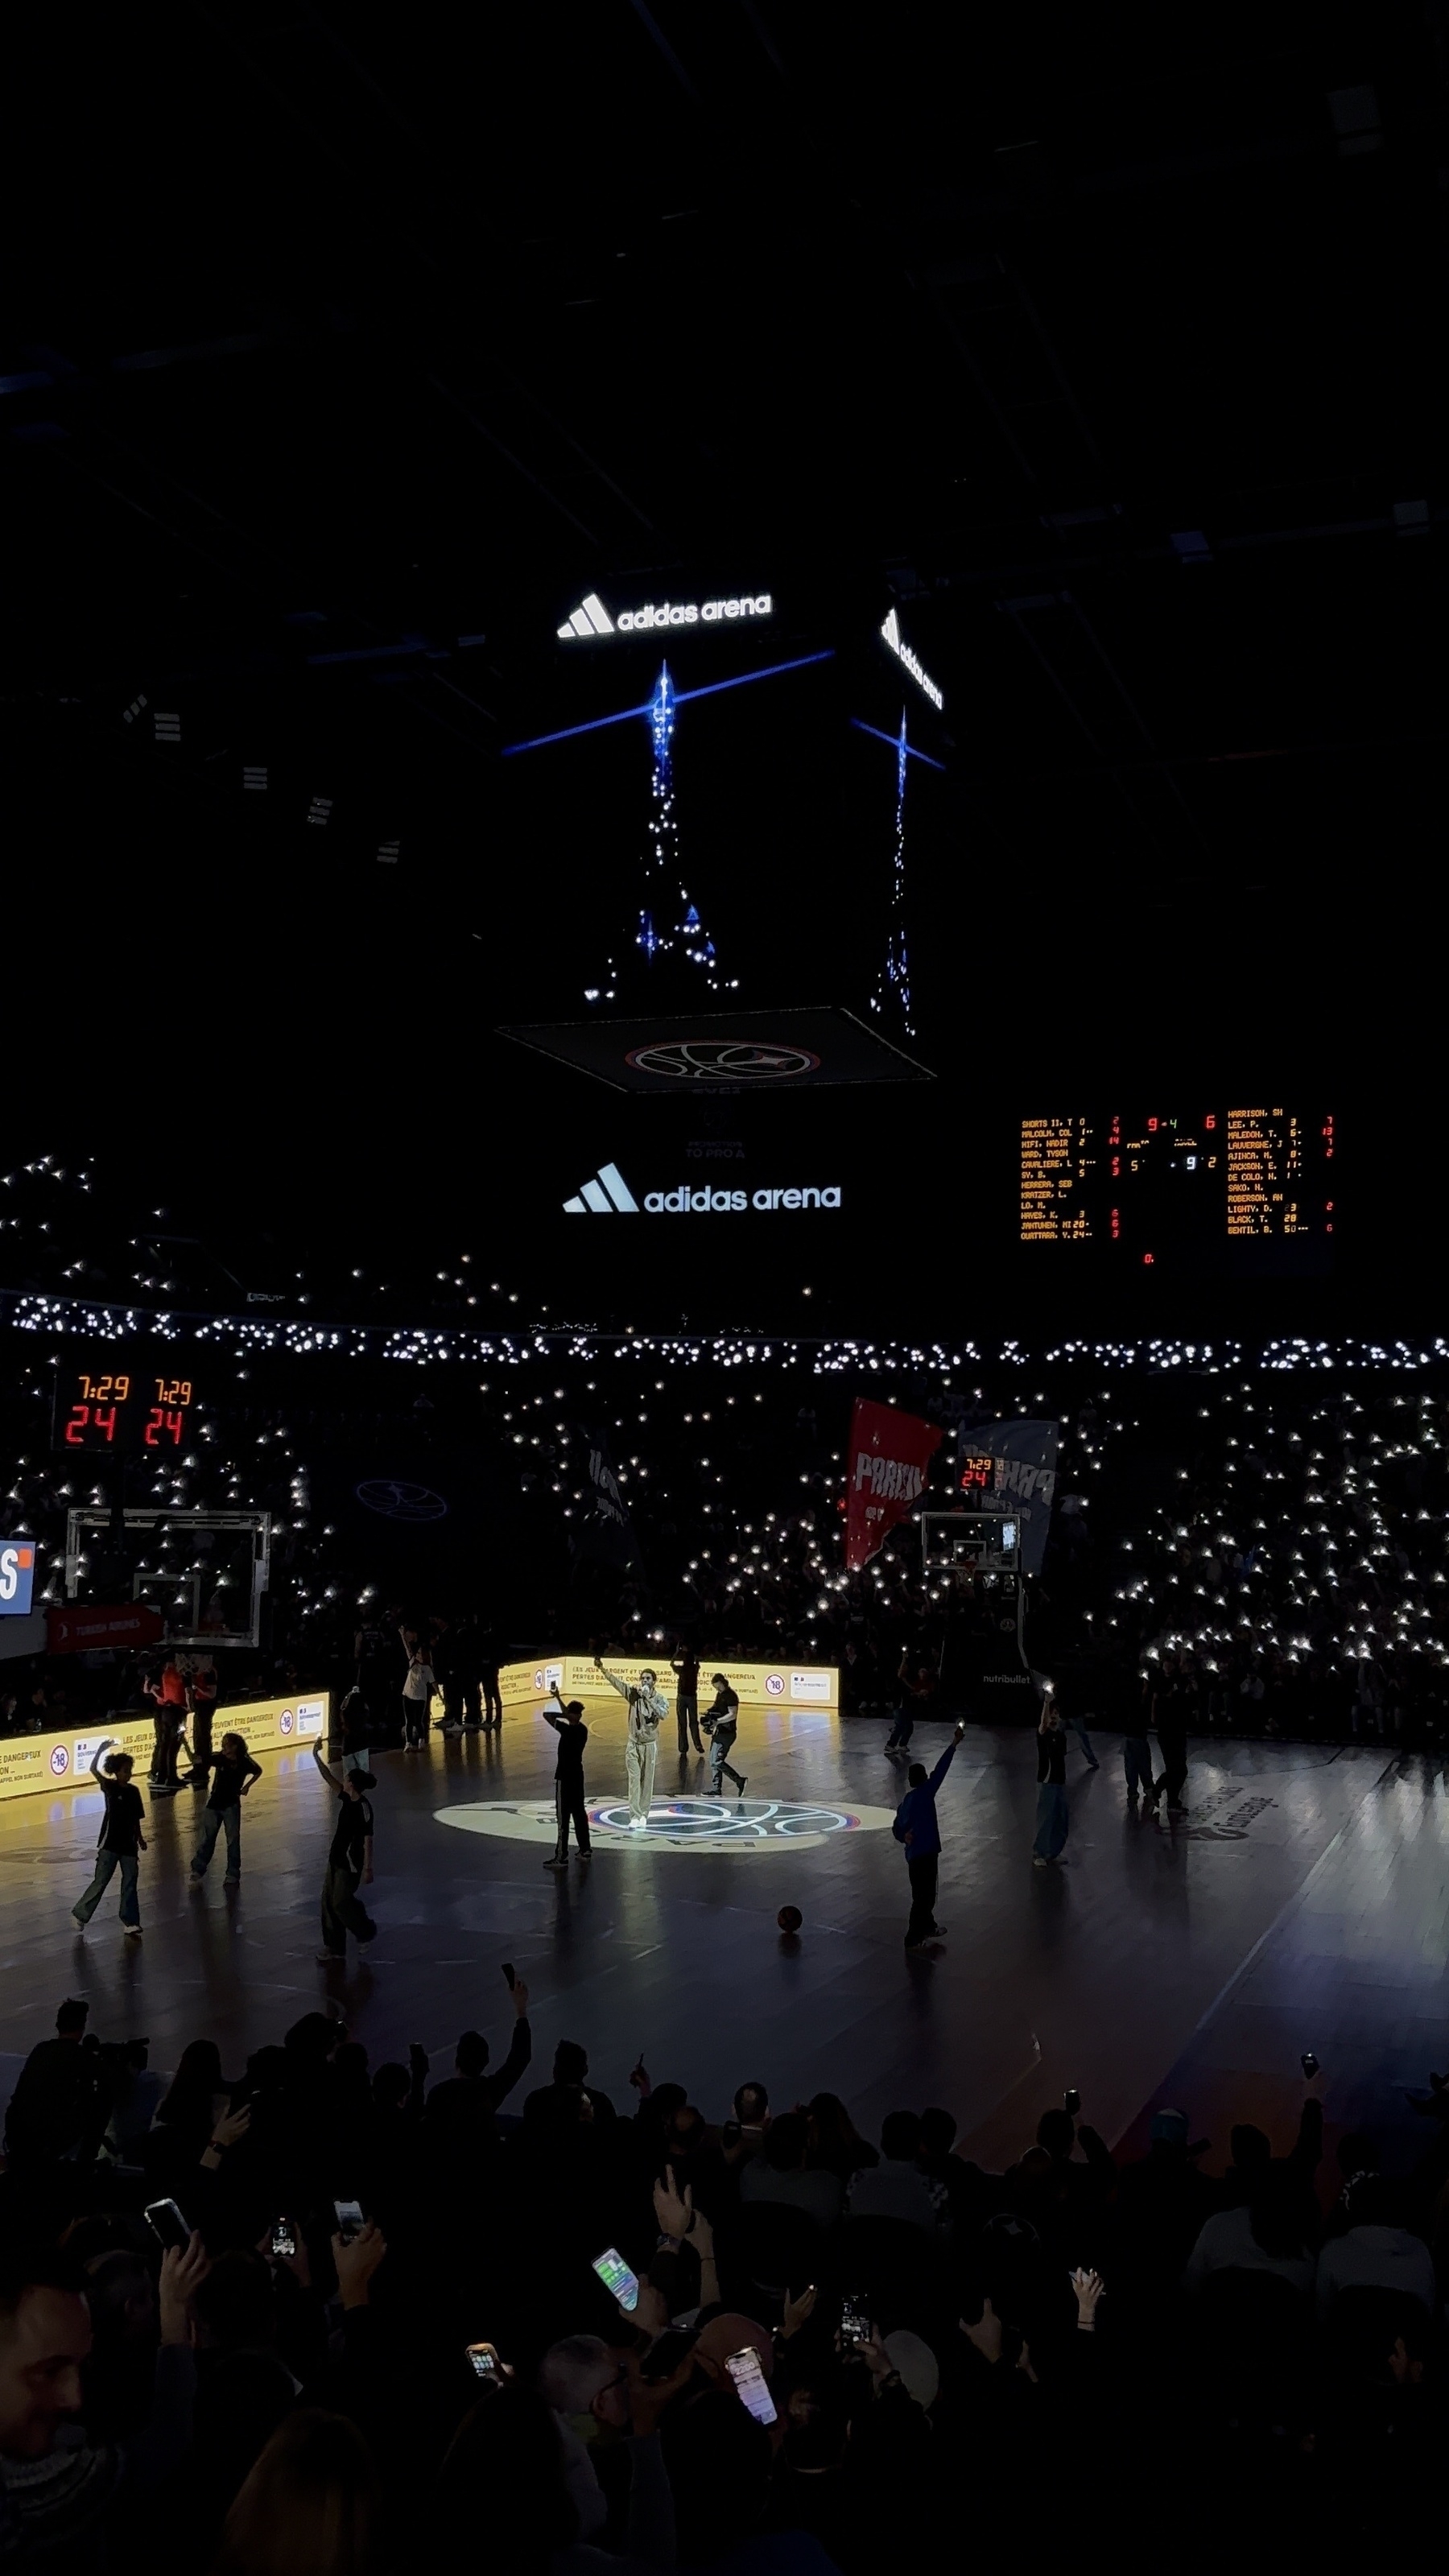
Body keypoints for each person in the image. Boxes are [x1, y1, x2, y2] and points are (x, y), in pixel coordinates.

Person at [2, 2000, 103, 2170]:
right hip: (45, 2141)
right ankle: (85, 2165)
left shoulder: (41, 2050)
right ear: (82, 2027)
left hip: (16, 2136)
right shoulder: (81, 2058)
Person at [892, 1722, 966, 1950]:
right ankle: (913, 1938)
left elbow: (896, 1827)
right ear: (924, 1778)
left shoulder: (907, 1802)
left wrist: (904, 1837)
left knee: (921, 1895)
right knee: (925, 1898)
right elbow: (942, 1769)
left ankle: (928, 1926)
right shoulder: (926, 1793)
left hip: (914, 1855)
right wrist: (953, 1744)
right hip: (927, 1853)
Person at [72, 1742, 147, 1939]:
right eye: (125, 1770)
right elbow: (92, 1769)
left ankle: (130, 1922)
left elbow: (136, 1818)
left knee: (130, 1881)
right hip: (110, 1843)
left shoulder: (134, 1791)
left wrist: (140, 1839)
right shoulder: (109, 1787)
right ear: (116, 1771)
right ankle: (81, 1914)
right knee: (101, 1881)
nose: (128, 1774)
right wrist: (100, 1749)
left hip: (129, 1845)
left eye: (130, 1770)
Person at [311, 1740, 377, 1965]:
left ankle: (365, 1931)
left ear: (353, 1785)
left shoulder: (364, 1808)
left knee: (340, 1902)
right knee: (328, 1902)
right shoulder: (347, 1799)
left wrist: (368, 1868)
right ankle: (334, 1947)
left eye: (347, 1778)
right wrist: (316, 1757)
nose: (344, 1780)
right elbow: (329, 1779)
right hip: (336, 1858)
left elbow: (368, 1839)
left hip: (351, 1864)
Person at [595, 1655, 667, 1829]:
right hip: (633, 1744)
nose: (645, 1681)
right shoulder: (633, 1695)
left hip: (649, 1745)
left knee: (647, 1781)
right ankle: (634, 1816)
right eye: (642, 1678)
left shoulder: (660, 1699)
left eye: (648, 1679)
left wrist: (648, 1698)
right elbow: (617, 1683)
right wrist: (602, 1669)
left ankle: (644, 1814)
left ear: (654, 1682)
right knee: (634, 1780)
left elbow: (663, 1714)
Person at [188, 1730, 263, 1885]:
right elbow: (197, 1760)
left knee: (232, 1840)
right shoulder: (220, 1759)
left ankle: (233, 1873)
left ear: (236, 1746)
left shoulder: (244, 1761)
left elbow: (258, 1771)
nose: (224, 1748)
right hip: (214, 1804)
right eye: (223, 1745)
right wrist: (184, 1744)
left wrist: (247, 1787)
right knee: (208, 1838)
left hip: (231, 1805)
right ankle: (198, 1868)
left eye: (227, 1745)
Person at [542, 1686, 592, 1868]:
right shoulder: (582, 1730)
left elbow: (547, 1715)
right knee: (579, 1813)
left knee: (563, 1817)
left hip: (564, 1776)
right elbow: (566, 1716)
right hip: (578, 1776)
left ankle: (561, 1855)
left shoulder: (567, 1731)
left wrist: (564, 1714)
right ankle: (585, 1849)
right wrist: (559, 1699)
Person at [1145, 1653, 1191, 1815]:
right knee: (1175, 1768)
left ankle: (1168, 1799)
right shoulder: (1159, 1681)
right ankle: (1160, 1794)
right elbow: (1156, 1701)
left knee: (1179, 1769)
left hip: (1178, 1729)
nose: (1168, 1666)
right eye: (1166, 1663)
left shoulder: (1178, 1680)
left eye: (1171, 1663)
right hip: (1166, 1730)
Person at [1033, 1696, 1069, 1866]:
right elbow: (1043, 1725)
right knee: (1046, 1819)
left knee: (1060, 1819)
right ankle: (1039, 1853)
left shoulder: (1061, 1736)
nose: (1053, 1716)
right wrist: (1046, 1703)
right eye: (1051, 1714)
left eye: (1056, 1714)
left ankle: (1053, 1852)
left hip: (1060, 1782)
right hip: (1047, 1782)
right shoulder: (1043, 1734)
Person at [145, 1655, 189, 1794]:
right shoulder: (182, 1674)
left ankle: (161, 1776)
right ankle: (171, 1777)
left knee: (164, 1745)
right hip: (178, 1711)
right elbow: (187, 1693)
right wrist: (189, 1707)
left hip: (166, 1711)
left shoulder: (165, 1674)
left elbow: (152, 1690)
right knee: (174, 1745)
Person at [704, 1672, 747, 1799]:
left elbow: (732, 1714)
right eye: (715, 1688)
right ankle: (716, 1789)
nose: (717, 1690)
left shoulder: (731, 1696)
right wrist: (709, 1713)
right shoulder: (720, 1694)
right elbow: (717, 1708)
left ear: (723, 1683)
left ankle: (739, 1780)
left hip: (727, 1733)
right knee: (713, 1761)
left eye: (718, 1687)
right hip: (720, 1731)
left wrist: (718, 1721)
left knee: (717, 1761)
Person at [885, 1651, 938, 1753]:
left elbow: (914, 1690)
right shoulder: (900, 1680)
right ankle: (891, 1744)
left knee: (908, 1727)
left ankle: (902, 1744)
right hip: (900, 1707)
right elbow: (902, 1677)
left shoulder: (909, 1680)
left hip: (905, 1707)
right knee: (902, 1726)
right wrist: (904, 1659)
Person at [399, 1641, 436, 1749]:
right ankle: (408, 1743)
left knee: (418, 1720)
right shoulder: (412, 1663)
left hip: (420, 1697)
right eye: (417, 1653)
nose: (417, 1655)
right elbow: (408, 1649)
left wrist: (440, 1695)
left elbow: (433, 1682)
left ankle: (421, 1739)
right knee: (409, 1721)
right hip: (407, 1695)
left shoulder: (427, 1669)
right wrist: (402, 1636)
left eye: (420, 1653)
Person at [671, 1642, 704, 1756]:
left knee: (682, 1723)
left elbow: (672, 1663)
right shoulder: (694, 1668)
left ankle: (683, 1747)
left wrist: (676, 1652)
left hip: (682, 1697)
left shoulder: (682, 1670)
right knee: (693, 1722)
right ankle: (697, 1744)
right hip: (692, 1697)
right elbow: (697, 1661)